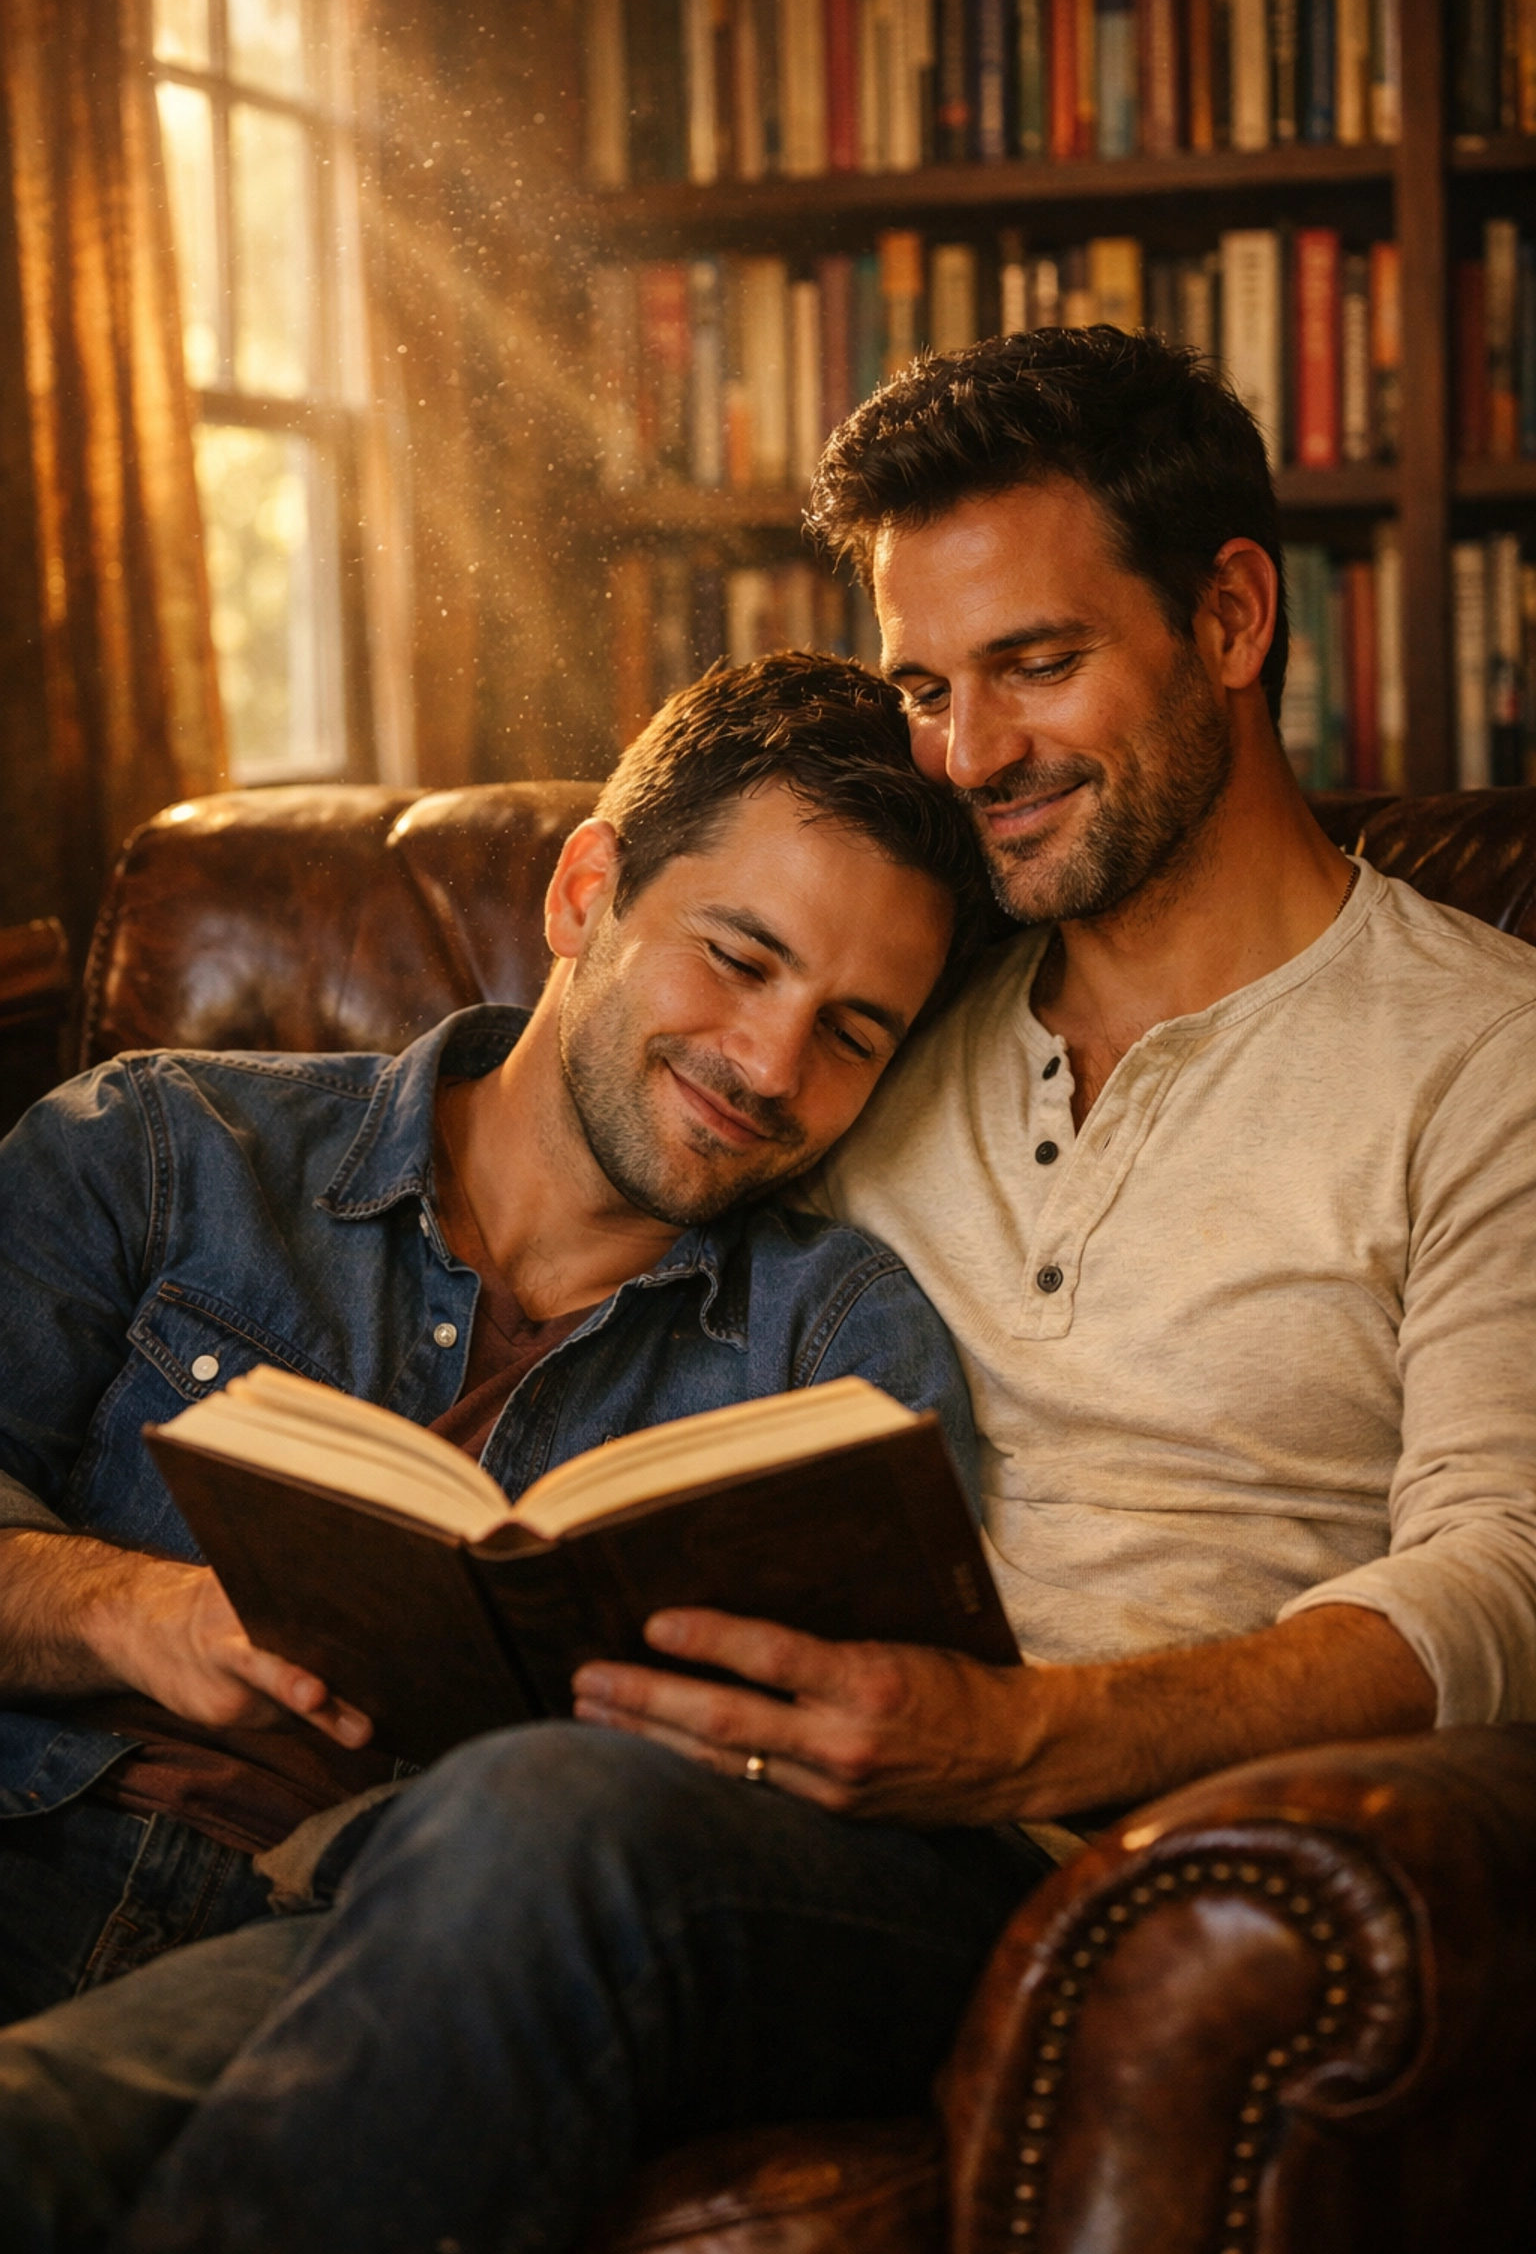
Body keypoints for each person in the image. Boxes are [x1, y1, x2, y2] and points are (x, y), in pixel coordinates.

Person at [16, 329, 1536, 2250]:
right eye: (926, 682)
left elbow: (1509, 1576)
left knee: (533, 1825)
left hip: (1069, 1856)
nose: (971, 752)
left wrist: (1022, 1737)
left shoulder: (1487, 1059)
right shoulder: (882, 1026)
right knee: (99, 2095)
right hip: (702, 1807)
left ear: (1231, 614)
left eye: (1037, 665)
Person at [0, 650, 1005, 2033]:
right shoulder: (164, 1147)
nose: (773, 1066)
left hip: (376, 1981)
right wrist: (134, 1610)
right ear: (587, 893)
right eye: (739, 958)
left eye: (851, 1032)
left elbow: (855, 1813)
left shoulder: (838, 1352)